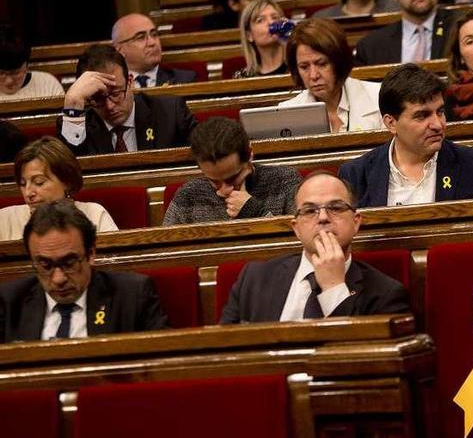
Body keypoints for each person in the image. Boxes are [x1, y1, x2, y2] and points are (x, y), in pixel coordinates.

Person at [220, 171, 410, 323]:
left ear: (355, 222)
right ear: (296, 228)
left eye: (335, 208)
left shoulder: (386, 294)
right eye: (310, 211)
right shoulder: (253, 279)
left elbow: (364, 364)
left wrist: (334, 288)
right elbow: (224, 358)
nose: (323, 217)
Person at [338, 64, 473, 207]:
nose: (437, 124)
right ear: (391, 123)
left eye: (440, 112)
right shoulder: (355, 176)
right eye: (422, 115)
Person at [0, 202, 167, 343]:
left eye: (69, 263)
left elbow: (164, 364)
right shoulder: (9, 302)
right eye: (45, 265)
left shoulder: (132, 295)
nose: (58, 279)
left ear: (91, 254)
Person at [57, 45, 196, 156]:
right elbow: (67, 176)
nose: (110, 106)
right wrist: (72, 102)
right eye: (98, 98)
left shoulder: (171, 112)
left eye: (116, 93)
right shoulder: (77, 123)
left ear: (130, 82)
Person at [163, 117, 303, 225]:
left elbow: (303, 244)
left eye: (232, 178)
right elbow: (166, 255)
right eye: (214, 182)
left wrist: (254, 211)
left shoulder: (285, 182)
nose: (224, 190)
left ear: (249, 155)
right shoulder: (188, 196)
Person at [0, 137, 117, 241]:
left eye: (39, 182)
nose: (28, 193)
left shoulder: (94, 214)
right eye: (22, 183)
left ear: (67, 181)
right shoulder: (5, 219)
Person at [280, 18, 382, 132]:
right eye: (304, 67)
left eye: (322, 64)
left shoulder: (379, 98)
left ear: (340, 61)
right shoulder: (286, 113)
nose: (313, 75)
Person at [111, 13, 197, 87]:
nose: (152, 43)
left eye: (154, 34)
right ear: (119, 49)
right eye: (141, 38)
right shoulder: (112, 86)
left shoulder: (184, 80)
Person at [0, 25, 64, 101]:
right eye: (1, 73)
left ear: (26, 66)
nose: (9, 81)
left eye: (16, 73)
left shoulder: (47, 85)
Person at [233, 0, 289, 78]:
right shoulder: (243, 78)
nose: (271, 23)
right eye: (260, 20)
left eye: (274, 17)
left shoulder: (297, 67)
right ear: (249, 35)